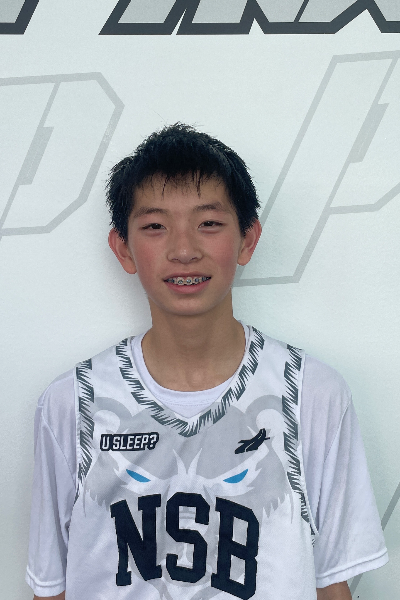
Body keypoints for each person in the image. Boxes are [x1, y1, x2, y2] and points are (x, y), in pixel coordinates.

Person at [26, 124, 388, 600]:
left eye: (209, 223)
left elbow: (332, 583)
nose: (184, 250)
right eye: (155, 226)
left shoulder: (311, 394)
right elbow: (50, 587)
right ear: (123, 248)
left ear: (248, 239)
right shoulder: (73, 402)